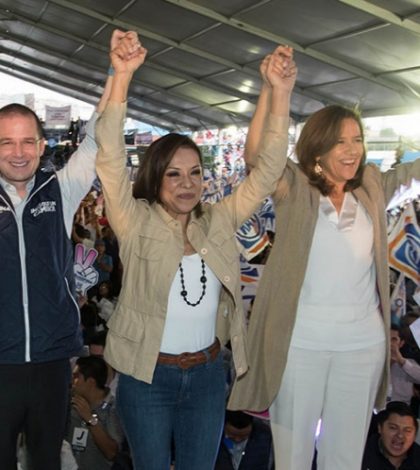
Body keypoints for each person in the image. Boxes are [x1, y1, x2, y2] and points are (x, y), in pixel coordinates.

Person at [95, 42, 296, 470]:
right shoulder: (135, 221)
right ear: (155, 176)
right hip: (146, 377)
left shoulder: (218, 220)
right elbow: (110, 156)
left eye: (195, 173)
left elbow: (267, 171)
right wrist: (122, 76)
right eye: (174, 174)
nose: (187, 184)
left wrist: (280, 93)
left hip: (207, 376)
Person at [229, 59, 420, 469]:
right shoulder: (294, 187)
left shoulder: (370, 184)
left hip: (362, 346)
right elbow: (257, 156)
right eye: (341, 142)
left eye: (357, 140)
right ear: (317, 148)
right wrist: (274, 90)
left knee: (345, 458)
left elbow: (412, 174)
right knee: (293, 458)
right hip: (300, 344)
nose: (353, 150)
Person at [0, 30, 138, 470]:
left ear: (42, 146)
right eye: (6, 142)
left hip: (52, 360)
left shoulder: (60, 190)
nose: (18, 152)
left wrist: (118, 74)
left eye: (27, 141)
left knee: (46, 459)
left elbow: (96, 139)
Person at [67, 356, 124, 469]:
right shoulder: (68, 403)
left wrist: (90, 419)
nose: (72, 382)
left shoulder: (113, 409)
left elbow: (111, 453)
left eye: (76, 377)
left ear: (91, 382)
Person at [361, 401, 420, 469]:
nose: (400, 435)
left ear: (415, 435)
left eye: (407, 430)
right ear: (380, 428)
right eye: (393, 428)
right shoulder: (361, 455)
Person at [389, 324, 420, 404]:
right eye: (386, 338)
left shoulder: (408, 364)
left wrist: (401, 361)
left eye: (394, 339)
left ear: (401, 343)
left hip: (400, 409)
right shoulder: (372, 363)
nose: (390, 343)